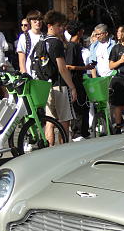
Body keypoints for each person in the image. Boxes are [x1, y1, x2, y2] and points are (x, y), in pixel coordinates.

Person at [40, 9, 77, 145]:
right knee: (64, 120)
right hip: (60, 85)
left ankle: (48, 148)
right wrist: (72, 87)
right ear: (50, 26)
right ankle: (63, 149)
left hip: (46, 86)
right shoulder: (56, 43)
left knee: (50, 121)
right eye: (59, 25)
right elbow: (62, 67)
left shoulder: (42, 41)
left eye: (62, 26)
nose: (61, 29)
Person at [65, 20, 94, 140]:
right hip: (75, 80)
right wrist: (85, 67)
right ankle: (77, 133)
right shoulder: (72, 46)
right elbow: (69, 66)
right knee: (79, 107)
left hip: (80, 79)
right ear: (79, 32)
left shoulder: (76, 46)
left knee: (84, 106)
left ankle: (84, 131)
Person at [16, 10, 44, 77]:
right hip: (30, 73)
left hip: (44, 74)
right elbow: (21, 57)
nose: (38, 22)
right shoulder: (24, 37)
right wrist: (24, 73)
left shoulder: (45, 37)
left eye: (40, 20)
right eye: (34, 20)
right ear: (30, 21)